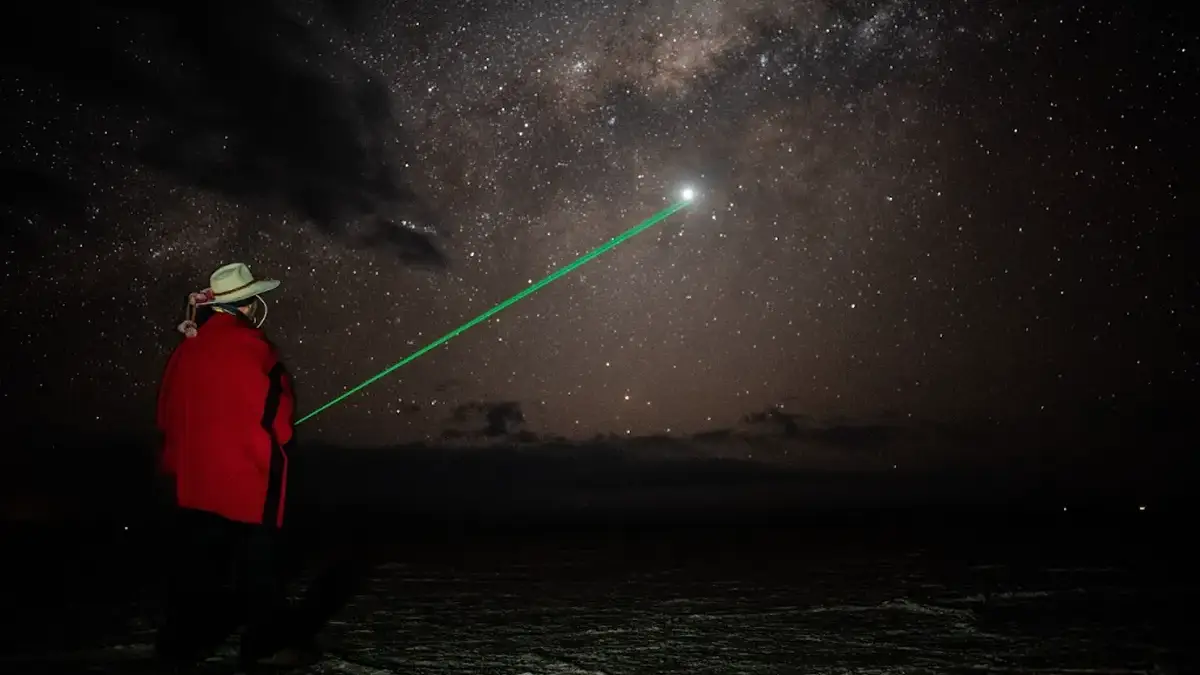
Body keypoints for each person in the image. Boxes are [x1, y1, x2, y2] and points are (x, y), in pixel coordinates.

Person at [154, 262, 314, 671]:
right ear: (247, 303)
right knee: (259, 565)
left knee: (194, 567)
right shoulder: (254, 347)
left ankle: (177, 647)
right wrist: (278, 436)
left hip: (193, 478)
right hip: (246, 475)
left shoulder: (186, 350)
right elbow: (279, 415)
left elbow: (166, 411)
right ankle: (265, 648)